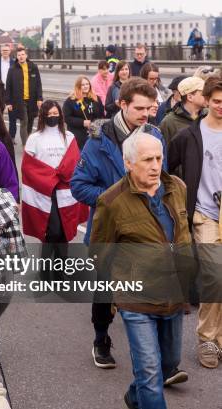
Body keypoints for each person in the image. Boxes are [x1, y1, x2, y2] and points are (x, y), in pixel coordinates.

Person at [71, 78, 170, 372]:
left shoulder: (154, 135)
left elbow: (162, 178)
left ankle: (161, 361)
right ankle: (101, 339)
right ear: (122, 104)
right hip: (109, 231)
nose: (146, 114)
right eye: (139, 108)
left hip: (146, 229)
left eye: (150, 108)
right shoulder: (98, 141)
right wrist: (114, 199)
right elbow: (78, 186)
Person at [91, 131, 191, 409]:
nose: (155, 165)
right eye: (147, 159)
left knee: (167, 363)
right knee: (148, 371)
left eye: (159, 158)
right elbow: (100, 253)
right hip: (136, 300)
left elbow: (183, 234)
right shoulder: (111, 201)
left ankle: (134, 397)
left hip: (173, 294)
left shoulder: (177, 188)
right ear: (128, 163)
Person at [168, 76, 222, 369]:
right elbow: (165, 164)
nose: (221, 107)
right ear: (207, 102)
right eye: (216, 101)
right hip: (205, 213)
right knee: (215, 275)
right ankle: (207, 340)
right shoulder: (190, 135)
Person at [22, 101, 83, 272]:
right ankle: (45, 268)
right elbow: (28, 166)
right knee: (50, 231)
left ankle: (60, 269)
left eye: (55, 113)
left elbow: (75, 161)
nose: (53, 117)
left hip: (65, 191)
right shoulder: (34, 138)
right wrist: (49, 177)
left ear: (60, 115)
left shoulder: (69, 137)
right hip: (44, 191)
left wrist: (63, 174)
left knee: (63, 231)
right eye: (49, 114)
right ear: (43, 116)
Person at [6, 46, 43, 146]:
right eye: (19, 55)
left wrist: (40, 98)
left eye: (23, 54)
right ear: (16, 57)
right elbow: (8, 86)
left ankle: (28, 139)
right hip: (19, 101)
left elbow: (38, 83)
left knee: (30, 121)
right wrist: (8, 102)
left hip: (32, 99)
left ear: (26, 55)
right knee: (24, 121)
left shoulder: (33, 67)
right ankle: (25, 146)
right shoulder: (12, 69)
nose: (21, 57)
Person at [160, 76, 207, 146]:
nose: (207, 96)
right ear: (190, 97)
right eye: (203, 93)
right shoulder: (169, 122)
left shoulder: (209, 115)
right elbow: (165, 152)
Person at [63, 76, 105, 149]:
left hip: (95, 135)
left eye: (87, 84)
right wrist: (82, 122)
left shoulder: (96, 98)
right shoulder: (71, 100)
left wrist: (97, 125)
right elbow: (67, 118)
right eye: (83, 85)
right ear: (78, 86)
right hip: (79, 137)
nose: (86, 86)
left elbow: (102, 115)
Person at [0, 45, 17, 139]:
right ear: (0, 51)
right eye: (3, 50)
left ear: (10, 51)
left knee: (12, 116)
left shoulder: (14, 63)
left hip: (11, 92)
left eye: (7, 50)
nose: (5, 52)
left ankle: (11, 137)